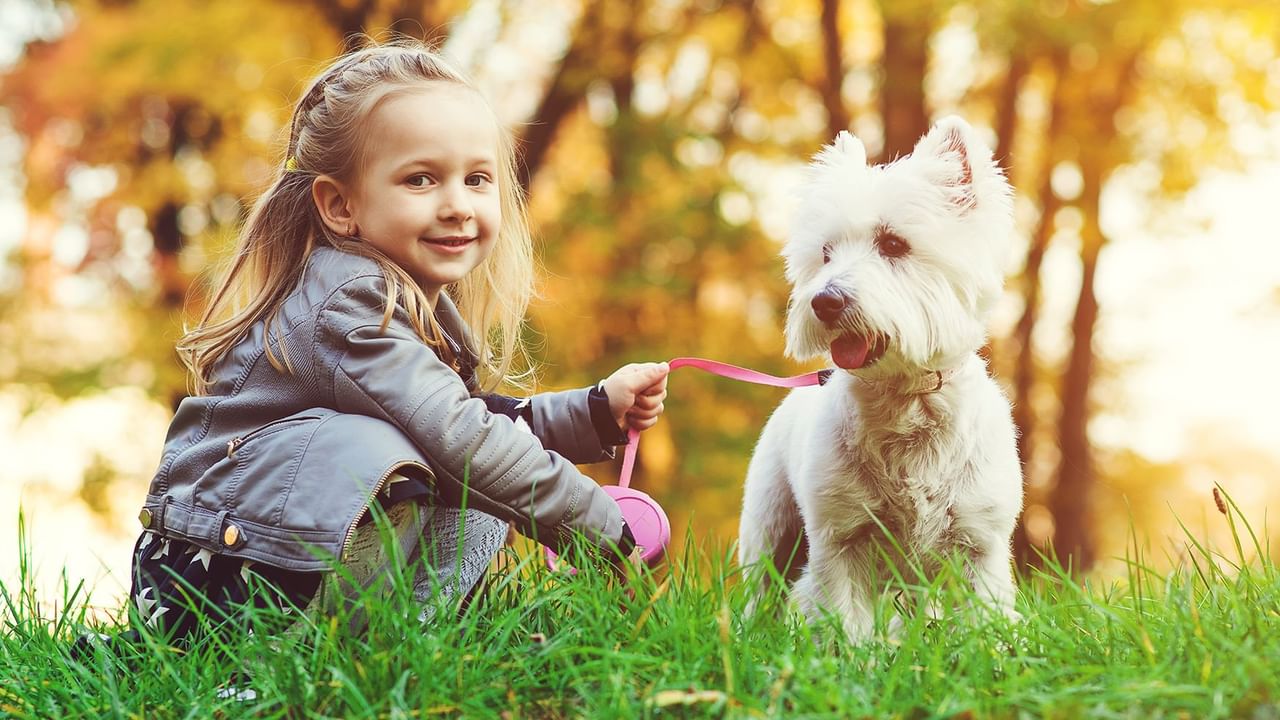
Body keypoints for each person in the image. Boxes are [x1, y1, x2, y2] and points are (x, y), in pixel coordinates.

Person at [118, 39, 670, 648]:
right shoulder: (348, 303)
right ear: (340, 205)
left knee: (470, 465)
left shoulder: (415, 309)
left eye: (477, 178)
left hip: (259, 554)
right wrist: (600, 527)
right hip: (204, 583)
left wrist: (594, 411)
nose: (458, 205)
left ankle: (407, 645)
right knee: (448, 459)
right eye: (421, 179)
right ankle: (286, 659)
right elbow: (464, 438)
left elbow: (474, 423)